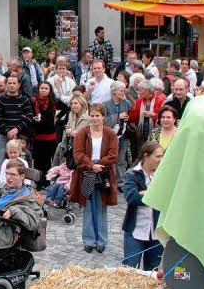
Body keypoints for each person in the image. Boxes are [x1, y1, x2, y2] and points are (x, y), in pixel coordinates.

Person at [69, 104, 119, 254]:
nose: (95, 118)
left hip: (104, 172)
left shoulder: (110, 133)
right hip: (87, 173)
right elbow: (78, 154)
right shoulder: (82, 133)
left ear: (103, 117)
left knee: (101, 207)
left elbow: (113, 154)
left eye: (97, 115)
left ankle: (102, 240)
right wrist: (91, 165)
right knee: (88, 207)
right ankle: (89, 240)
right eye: (92, 115)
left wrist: (100, 165)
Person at [122, 142, 164, 271]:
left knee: (153, 270)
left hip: (157, 232)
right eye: (158, 156)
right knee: (130, 270)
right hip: (135, 230)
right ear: (146, 156)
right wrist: (155, 195)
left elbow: (166, 197)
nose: (161, 159)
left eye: (162, 156)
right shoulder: (132, 174)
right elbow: (132, 198)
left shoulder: (163, 175)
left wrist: (146, 194)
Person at [0, 75, 32, 165]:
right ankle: (0, 180)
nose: (12, 85)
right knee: (0, 163)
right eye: (9, 83)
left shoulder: (24, 100)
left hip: (20, 137)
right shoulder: (0, 100)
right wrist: (8, 131)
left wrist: (16, 129)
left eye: (14, 83)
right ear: (6, 84)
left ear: (18, 85)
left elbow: (29, 117)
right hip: (4, 136)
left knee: (21, 163)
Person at [31, 81, 66, 174]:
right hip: (37, 135)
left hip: (51, 135)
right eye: (42, 88)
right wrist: (33, 118)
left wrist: (57, 118)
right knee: (38, 160)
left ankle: (48, 181)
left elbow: (66, 108)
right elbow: (28, 114)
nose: (44, 90)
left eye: (46, 88)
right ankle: (39, 182)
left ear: (50, 90)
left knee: (49, 160)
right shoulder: (33, 101)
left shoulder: (54, 101)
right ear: (38, 89)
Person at [102, 82, 132, 183]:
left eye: (124, 90)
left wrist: (127, 118)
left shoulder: (126, 103)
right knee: (110, 157)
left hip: (122, 134)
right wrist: (117, 117)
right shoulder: (105, 104)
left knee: (121, 158)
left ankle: (120, 181)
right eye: (121, 90)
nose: (123, 93)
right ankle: (109, 180)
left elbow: (130, 115)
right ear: (114, 91)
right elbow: (104, 120)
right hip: (110, 135)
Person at [129, 80, 164, 145]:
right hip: (141, 135)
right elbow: (133, 118)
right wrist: (133, 107)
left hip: (156, 135)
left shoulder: (160, 100)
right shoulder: (139, 101)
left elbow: (164, 117)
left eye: (141, 90)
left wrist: (153, 115)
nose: (139, 93)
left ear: (148, 90)